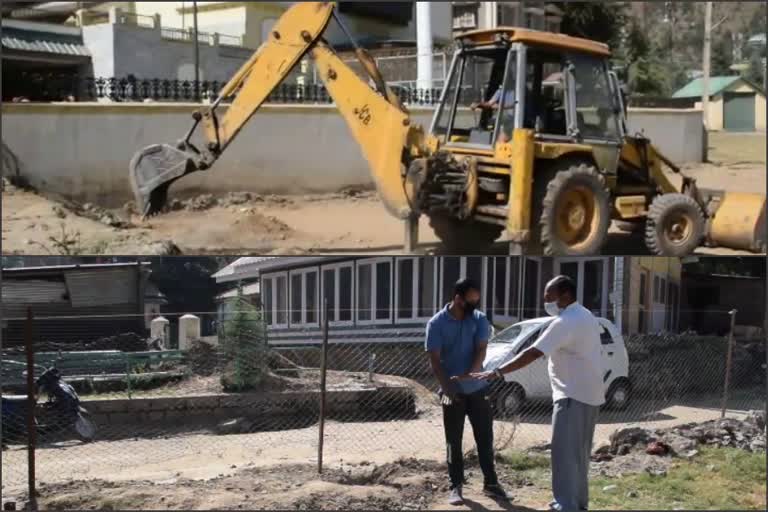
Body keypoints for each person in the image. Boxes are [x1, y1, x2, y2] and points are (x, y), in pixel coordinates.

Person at [465, 275, 604, 511]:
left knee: (564, 455)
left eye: (549, 297)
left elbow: (532, 352)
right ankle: (577, 503)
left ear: (566, 296)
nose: (546, 302)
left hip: (572, 396)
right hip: (589, 395)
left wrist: (498, 371)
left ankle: (565, 505)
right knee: (579, 455)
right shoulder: (585, 315)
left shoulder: (565, 322)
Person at [425, 278, 508, 506]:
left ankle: (491, 484)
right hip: (451, 391)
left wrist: (472, 372)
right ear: (458, 298)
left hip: (478, 389)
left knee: (485, 438)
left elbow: (481, 349)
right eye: (470, 302)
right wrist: (449, 388)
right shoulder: (436, 323)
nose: (475, 307)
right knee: (453, 441)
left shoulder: (479, 319)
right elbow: (435, 360)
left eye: (477, 301)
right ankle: (456, 485)